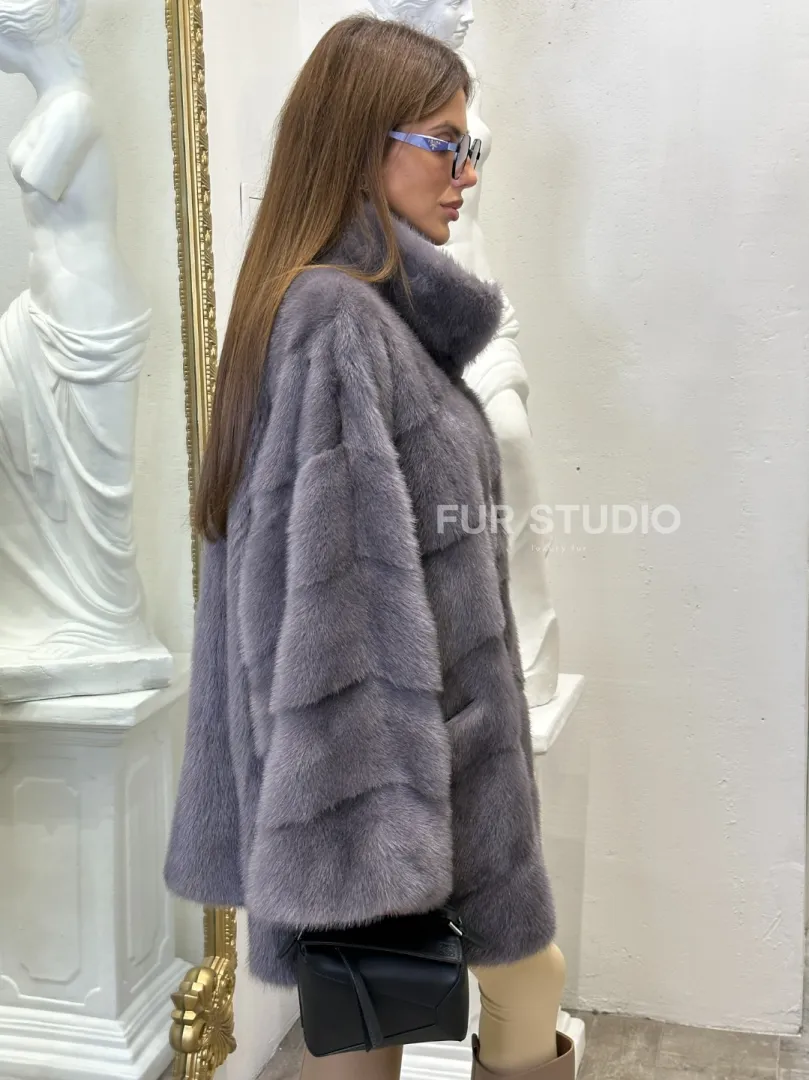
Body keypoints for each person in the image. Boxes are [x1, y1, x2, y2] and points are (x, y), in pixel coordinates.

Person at [164, 15, 573, 1080]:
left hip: (433, 791)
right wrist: (366, 861)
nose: (465, 174)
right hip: (395, 805)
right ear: (361, 142)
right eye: (445, 144)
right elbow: (332, 613)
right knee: (417, 1019)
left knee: (451, 1009)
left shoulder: (369, 319)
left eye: (467, 148)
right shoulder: (338, 323)